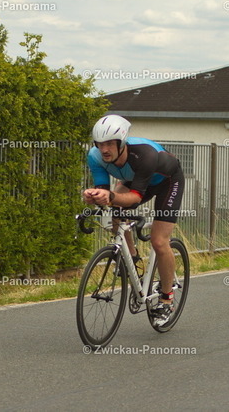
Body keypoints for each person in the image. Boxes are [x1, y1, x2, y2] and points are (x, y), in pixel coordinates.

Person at [82, 115, 184, 327]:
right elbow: (103, 190)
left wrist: (110, 196)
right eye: (100, 144)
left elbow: (135, 198)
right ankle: (133, 259)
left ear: (121, 143)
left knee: (159, 241)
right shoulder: (94, 156)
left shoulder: (144, 154)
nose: (104, 149)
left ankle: (166, 299)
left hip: (167, 182)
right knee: (114, 212)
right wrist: (94, 196)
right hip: (135, 180)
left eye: (110, 144)